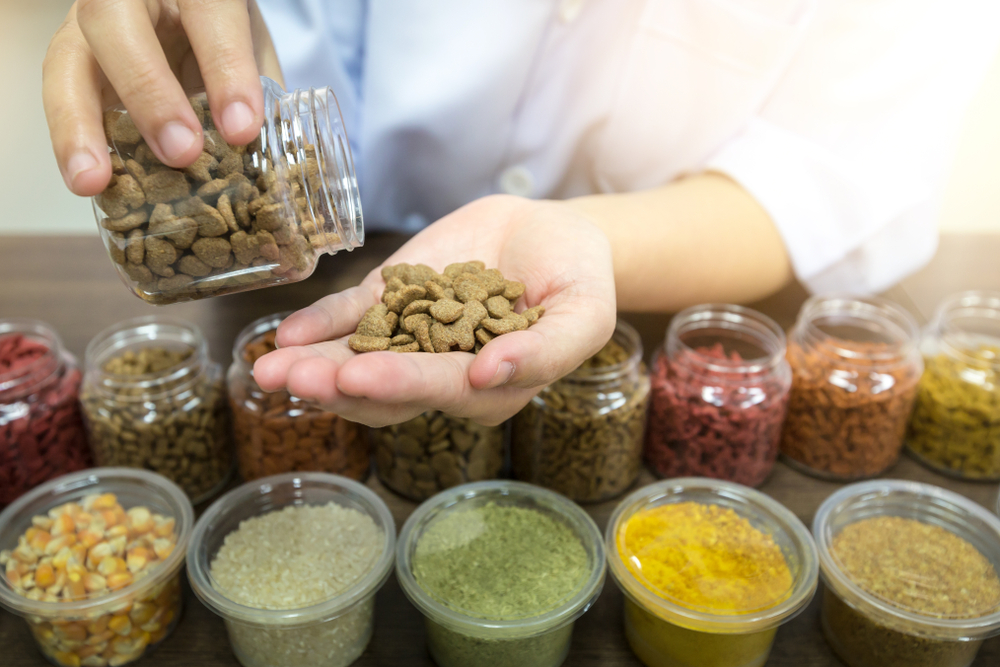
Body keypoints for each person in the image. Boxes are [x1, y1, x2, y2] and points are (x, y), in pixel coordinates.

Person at [44, 0, 999, 426]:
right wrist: (204, 68)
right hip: (343, 238)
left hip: (687, 304)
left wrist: (590, 240)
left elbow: (824, 173)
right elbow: (288, 40)